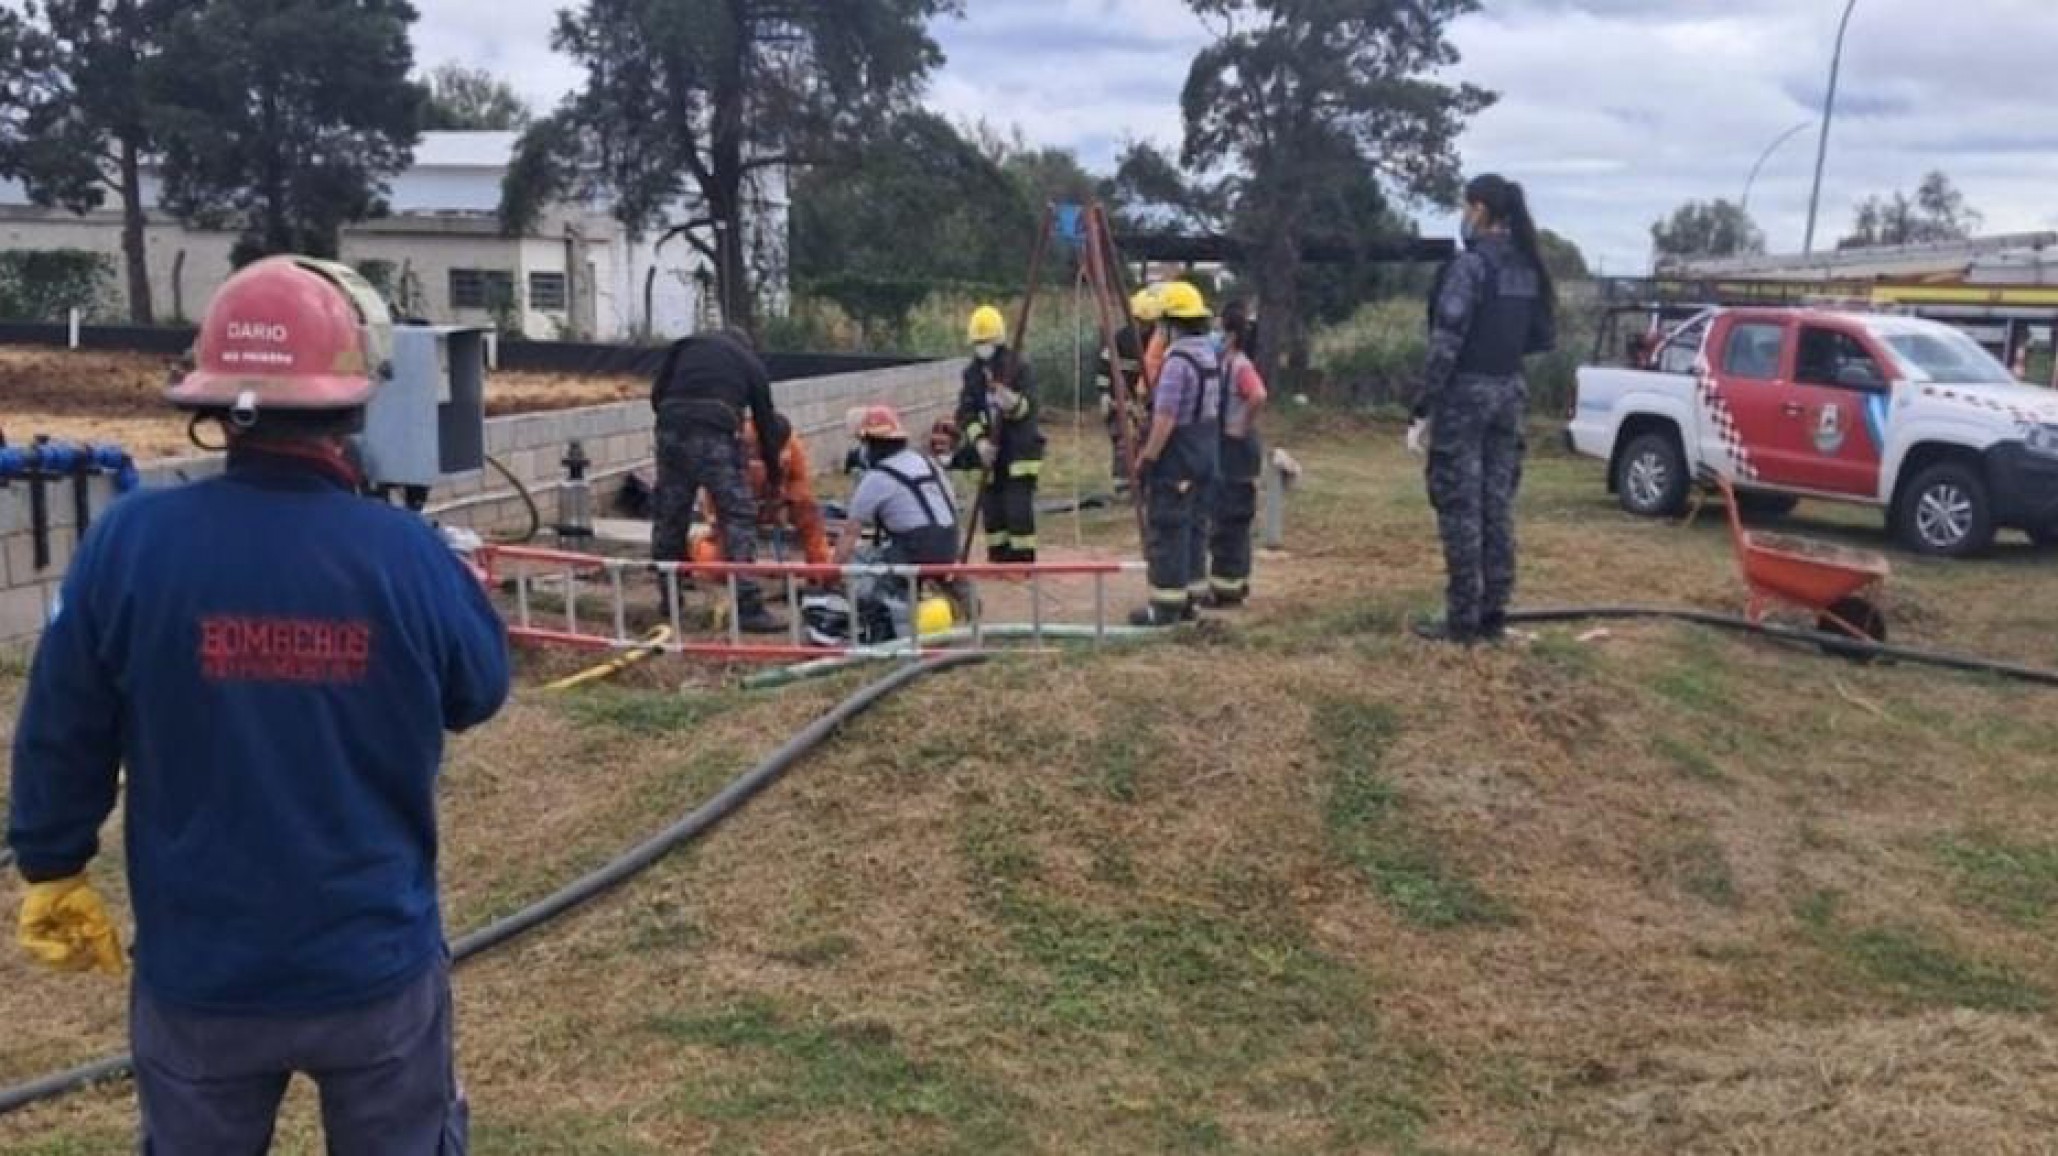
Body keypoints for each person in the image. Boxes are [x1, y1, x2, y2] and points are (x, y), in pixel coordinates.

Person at [8, 256, 510, 1152]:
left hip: (202, 974)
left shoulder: (131, 541)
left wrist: (51, 861)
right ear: (353, 399)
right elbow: (481, 690)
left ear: (212, 405)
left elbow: (64, 724)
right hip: (372, 968)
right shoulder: (404, 555)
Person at [1409, 173, 1557, 644]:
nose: (1463, 216)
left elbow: (1445, 341)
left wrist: (1423, 407)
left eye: (1465, 206)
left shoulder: (1471, 267)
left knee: (1460, 505)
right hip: (1509, 393)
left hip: (1466, 396)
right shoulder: (1527, 267)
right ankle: (1494, 611)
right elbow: (1540, 337)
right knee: (1497, 505)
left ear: (1479, 210)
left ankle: (1461, 619)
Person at [650, 327, 786, 632]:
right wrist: (774, 475)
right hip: (714, 432)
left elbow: (657, 395)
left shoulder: (686, 344)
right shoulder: (751, 364)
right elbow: (766, 423)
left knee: (670, 513)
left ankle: (668, 598)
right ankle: (748, 607)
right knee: (737, 514)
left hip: (670, 427)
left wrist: (677, 422)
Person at [1129, 281, 1224, 626]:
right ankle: (1191, 597)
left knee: (1168, 528)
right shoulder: (1209, 356)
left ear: (1171, 324)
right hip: (1205, 455)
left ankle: (1165, 606)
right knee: (1195, 527)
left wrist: (1147, 458)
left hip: (1178, 459)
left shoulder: (1177, 363)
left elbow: (1165, 418)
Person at [958, 305, 1046, 563]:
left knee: (1017, 509)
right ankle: (998, 557)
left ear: (998, 340)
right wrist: (980, 442)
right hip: (990, 454)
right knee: (992, 511)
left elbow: (1030, 407)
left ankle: (1022, 559)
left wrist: (1013, 403)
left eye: (987, 342)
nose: (982, 347)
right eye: (978, 343)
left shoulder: (1017, 367)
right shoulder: (972, 374)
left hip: (1018, 450)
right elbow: (966, 412)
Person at [693, 413, 830, 567]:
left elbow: (800, 481)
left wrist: (787, 500)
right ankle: (698, 548)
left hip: (774, 502)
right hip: (736, 506)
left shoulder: (790, 444)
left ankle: (821, 569)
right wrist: (715, 515)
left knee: (809, 510)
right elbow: (716, 483)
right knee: (718, 565)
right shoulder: (736, 443)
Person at [1203, 299, 1270, 606]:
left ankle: (1228, 589)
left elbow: (1257, 395)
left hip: (1237, 451)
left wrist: (1240, 426)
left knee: (1230, 520)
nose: (1214, 333)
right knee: (1227, 520)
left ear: (1229, 335)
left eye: (1219, 327)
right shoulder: (1225, 364)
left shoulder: (1240, 365)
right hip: (1228, 449)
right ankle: (1232, 583)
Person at [1095, 289, 1157, 493]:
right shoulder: (1118, 340)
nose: (1143, 327)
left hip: (1147, 401)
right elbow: (1104, 369)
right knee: (1123, 440)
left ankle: (1144, 482)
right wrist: (1105, 395)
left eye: (1147, 323)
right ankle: (1123, 485)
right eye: (1139, 321)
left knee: (1147, 439)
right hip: (1119, 400)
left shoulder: (1157, 343)